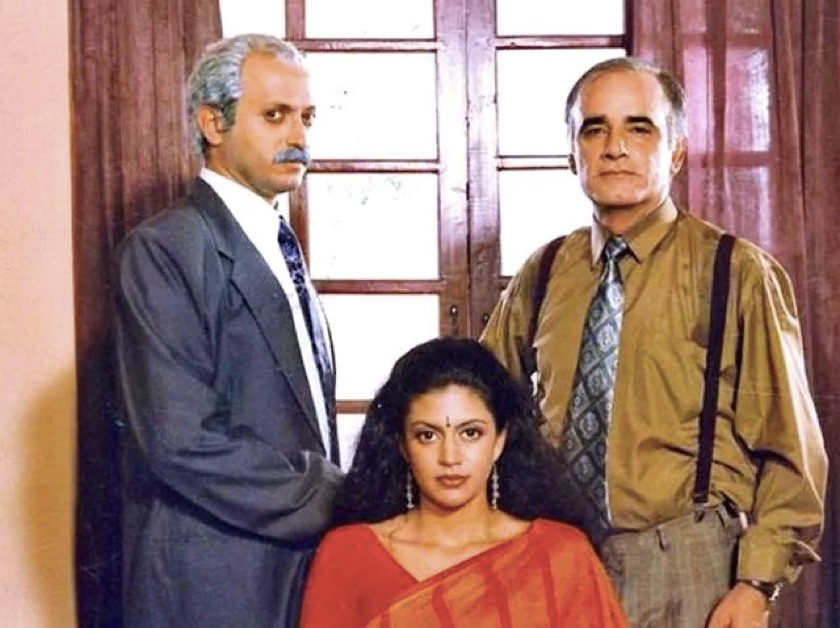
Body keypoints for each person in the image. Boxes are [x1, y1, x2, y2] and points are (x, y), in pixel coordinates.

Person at [480, 56, 828, 627]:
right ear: (573, 155)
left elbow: (792, 448)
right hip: (558, 558)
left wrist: (756, 585)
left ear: (677, 152)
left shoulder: (736, 272)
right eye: (595, 130)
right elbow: (477, 409)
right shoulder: (544, 272)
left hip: (690, 566)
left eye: (639, 128)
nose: (615, 148)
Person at [114, 34, 342, 627]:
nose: (299, 137)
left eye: (307, 118)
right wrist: (340, 495)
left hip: (294, 573)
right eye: (275, 115)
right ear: (212, 123)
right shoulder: (164, 250)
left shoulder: (278, 242)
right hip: (213, 586)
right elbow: (181, 441)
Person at [299, 337, 627, 627]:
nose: (450, 456)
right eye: (427, 435)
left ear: (499, 441)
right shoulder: (349, 555)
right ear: (402, 445)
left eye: (470, 433)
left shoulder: (560, 555)